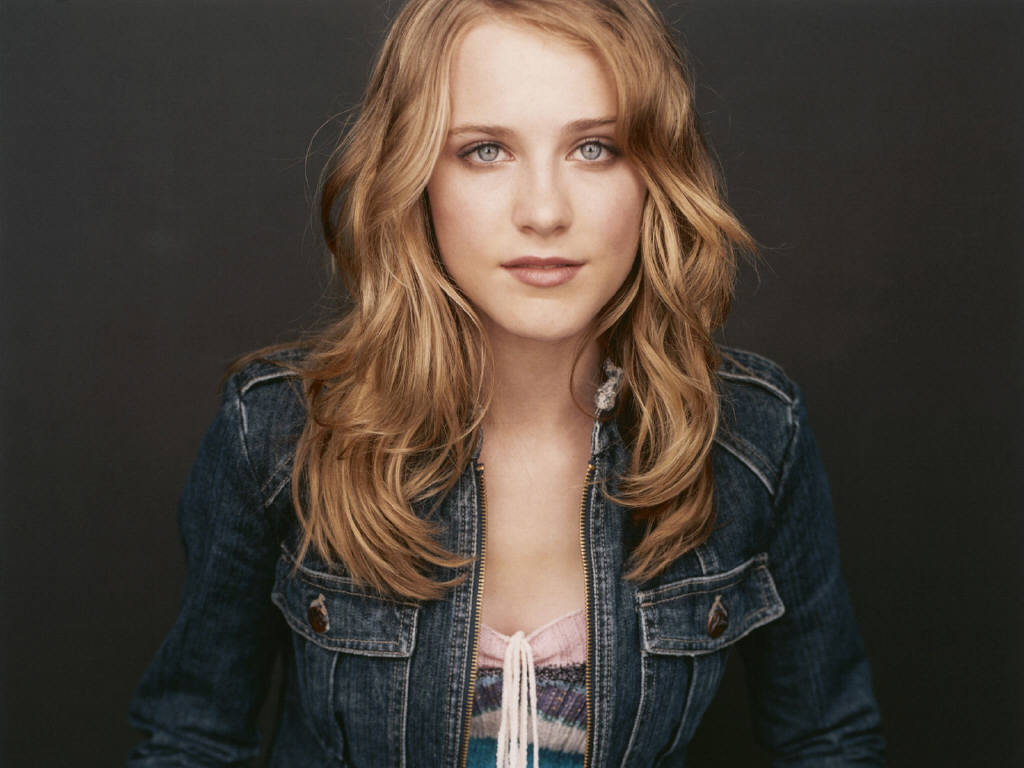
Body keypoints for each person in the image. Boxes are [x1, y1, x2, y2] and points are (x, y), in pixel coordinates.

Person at [127, 0, 885, 766]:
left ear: (656, 174)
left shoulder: (753, 437)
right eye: (486, 150)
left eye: (594, 148)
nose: (544, 211)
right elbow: (190, 742)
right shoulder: (280, 434)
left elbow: (830, 743)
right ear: (415, 174)